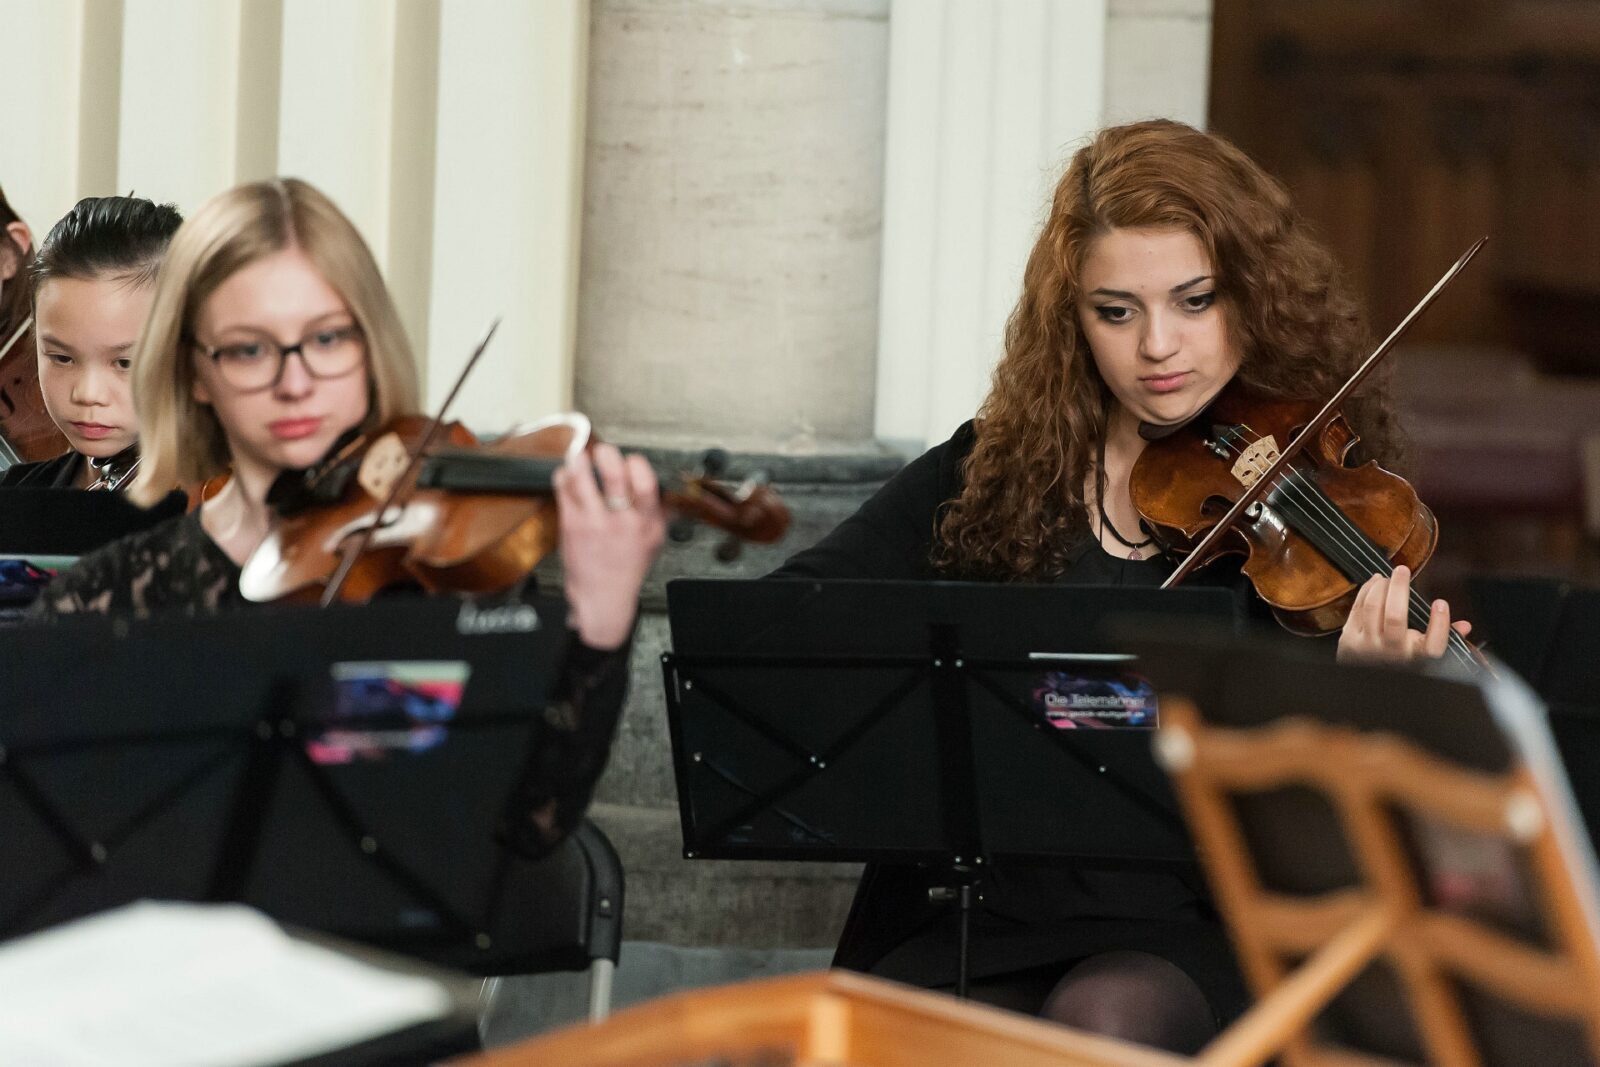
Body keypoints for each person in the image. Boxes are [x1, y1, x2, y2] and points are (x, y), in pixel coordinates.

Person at [771, 119, 1470, 1051]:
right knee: (900, 1026)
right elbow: (788, 618)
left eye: (1194, 300)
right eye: (1117, 311)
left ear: (1252, 296)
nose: (1158, 347)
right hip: (991, 911)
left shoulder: (1322, 497)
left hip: (1200, 926)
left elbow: (1365, 849)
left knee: (1107, 1014)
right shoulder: (991, 474)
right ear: (1073, 320)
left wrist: (1353, 696)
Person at [28, 177, 665, 855]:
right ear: (190, 370)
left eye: (327, 339)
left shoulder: (430, 566)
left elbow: (527, 824)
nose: (295, 379)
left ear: (369, 348)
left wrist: (600, 620)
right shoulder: (105, 595)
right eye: (249, 348)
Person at [0, 195, 184, 490]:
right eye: (62, 358)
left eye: (125, 363)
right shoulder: (14, 494)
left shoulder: (216, 500)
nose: (87, 394)